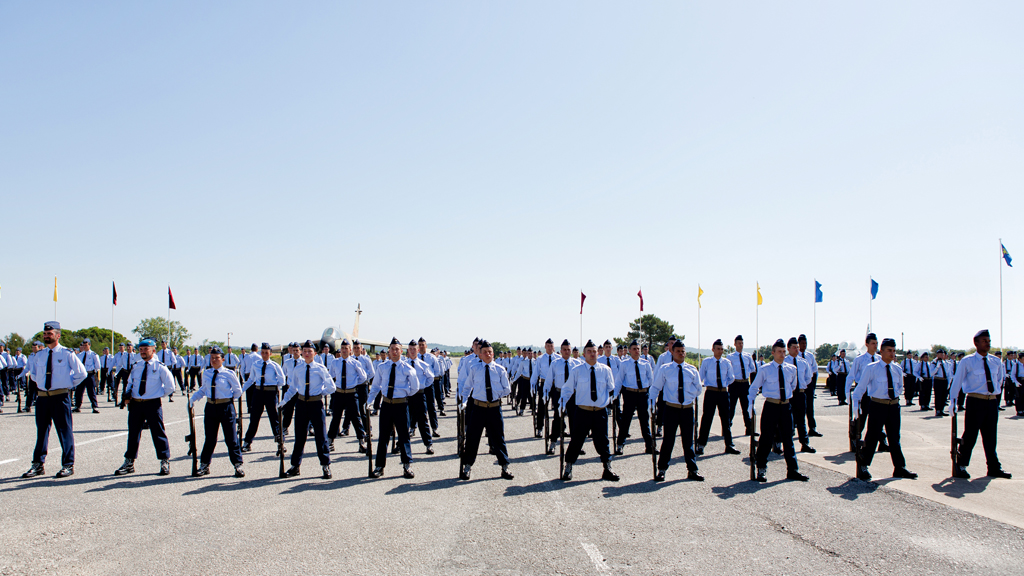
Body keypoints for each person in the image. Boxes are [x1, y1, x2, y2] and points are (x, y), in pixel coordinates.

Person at [21, 322, 86, 479]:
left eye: (49, 334)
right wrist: (43, 386)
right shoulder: (40, 355)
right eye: (44, 334)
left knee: (64, 431)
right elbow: (34, 375)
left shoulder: (67, 353)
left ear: (58, 335)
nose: (46, 336)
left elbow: (81, 373)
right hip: (43, 398)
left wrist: (67, 384)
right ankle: (38, 464)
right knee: (42, 432)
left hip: (60, 397)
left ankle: (68, 464)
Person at [850, 337, 917, 481]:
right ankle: (863, 465)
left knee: (894, 438)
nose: (892, 354)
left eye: (894, 351)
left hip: (893, 406)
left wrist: (895, 396)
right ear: (882, 351)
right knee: (872, 437)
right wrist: (855, 407)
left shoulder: (897, 369)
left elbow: (899, 387)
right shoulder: (872, 368)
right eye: (889, 351)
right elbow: (860, 389)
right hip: (877, 406)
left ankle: (899, 467)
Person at [949, 329, 1012, 479]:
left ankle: (993, 467)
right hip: (975, 401)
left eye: (989, 341)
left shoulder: (996, 361)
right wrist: (953, 401)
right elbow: (957, 382)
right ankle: (961, 465)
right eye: (984, 341)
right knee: (970, 435)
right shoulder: (967, 361)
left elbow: (999, 380)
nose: (987, 344)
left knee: (991, 437)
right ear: (976, 343)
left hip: (991, 403)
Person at [748, 339, 809, 483]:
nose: (782, 354)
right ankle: (761, 468)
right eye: (779, 352)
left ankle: (793, 470)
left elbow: (793, 386)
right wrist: (750, 405)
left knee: (788, 439)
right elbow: (754, 388)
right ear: (773, 353)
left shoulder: (791, 369)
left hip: (786, 406)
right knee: (766, 439)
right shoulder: (765, 369)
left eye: (784, 352)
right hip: (771, 406)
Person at [558, 340, 619, 482]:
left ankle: (607, 467)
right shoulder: (577, 371)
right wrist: (562, 404)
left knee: (603, 441)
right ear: (584, 354)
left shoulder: (605, 370)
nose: (592, 354)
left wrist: (609, 401)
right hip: (583, 411)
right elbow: (567, 389)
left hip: (600, 412)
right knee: (577, 440)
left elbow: (611, 389)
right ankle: (568, 467)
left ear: (598, 353)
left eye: (594, 351)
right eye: (589, 352)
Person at [115, 339, 176, 476]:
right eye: (141, 349)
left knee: (158, 433)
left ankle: (164, 460)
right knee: (133, 433)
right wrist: (127, 395)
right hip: (136, 403)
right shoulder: (137, 366)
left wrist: (157, 394)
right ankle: (129, 462)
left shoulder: (160, 366)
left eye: (146, 349)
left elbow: (170, 386)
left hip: (152, 404)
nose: (142, 351)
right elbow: (130, 382)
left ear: (153, 350)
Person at [458, 340, 514, 480]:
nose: (488, 354)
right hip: (478, 408)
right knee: (472, 438)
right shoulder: (475, 369)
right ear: (480, 355)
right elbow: (467, 387)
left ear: (493, 354)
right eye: (485, 352)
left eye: (490, 352)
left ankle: (505, 467)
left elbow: (507, 389)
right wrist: (464, 401)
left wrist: (496, 394)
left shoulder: (500, 370)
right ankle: (467, 467)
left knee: (498, 439)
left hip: (494, 408)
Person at [278, 340, 335, 479]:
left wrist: (321, 392)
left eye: (310, 351)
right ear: (302, 353)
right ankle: (295, 466)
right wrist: (283, 401)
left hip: (316, 404)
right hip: (302, 403)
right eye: (305, 351)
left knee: (321, 436)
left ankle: (325, 465)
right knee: (299, 437)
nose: (307, 353)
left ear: (315, 353)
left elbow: (331, 387)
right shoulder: (298, 369)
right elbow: (292, 388)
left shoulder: (320, 369)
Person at [648, 339, 703, 481]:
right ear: (672, 352)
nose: (681, 353)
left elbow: (698, 390)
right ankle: (662, 469)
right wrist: (652, 405)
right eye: (678, 351)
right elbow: (656, 388)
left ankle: (692, 470)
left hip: (687, 409)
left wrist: (688, 396)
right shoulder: (665, 369)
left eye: (683, 351)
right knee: (668, 441)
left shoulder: (692, 370)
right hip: (671, 409)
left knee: (688, 441)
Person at [367, 338, 421, 479]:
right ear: (389, 351)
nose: (394, 351)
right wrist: (369, 401)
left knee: (403, 436)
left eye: (397, 349)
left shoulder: (408, 368)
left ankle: (407, 465)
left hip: (401, 405)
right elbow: (375, 386)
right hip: (386, 405)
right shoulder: (382, 367)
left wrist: (402, 396)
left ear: (401, 351)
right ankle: (379, 467)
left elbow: (415, 388)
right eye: (392, 349)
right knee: (383, 437)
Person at [188, 346, 245, 478]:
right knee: (210, 438)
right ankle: (204, 465)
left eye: (217, 358)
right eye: (212, 358)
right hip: (211, 407)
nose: (214, 360)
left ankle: (238, 465)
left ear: (223, 359)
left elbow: (237, 391)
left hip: (225, 407)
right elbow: (203, 389)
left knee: (231, 439)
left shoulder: (229, 374)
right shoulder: (207, 373)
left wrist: (227, 399)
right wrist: (193, 399)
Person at [241, 343, 286, 456]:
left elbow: (282, 381)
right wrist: (240, 391)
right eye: (263, 352)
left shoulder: (275, 366)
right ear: (260, 353)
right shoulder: (256, 365)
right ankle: (247, 442)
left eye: (267, 353)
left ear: (270, 353)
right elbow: (251, 380)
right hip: (258, 392)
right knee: (254, 418)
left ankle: (280, 442)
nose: (264, 355)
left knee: (274, 418)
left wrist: (273, 386)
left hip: (270, 393)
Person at [613, 339, 656, 455]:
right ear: (630, 351)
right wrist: (615, 395)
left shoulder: (645, 364)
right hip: (630, 394)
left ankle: (649, 445)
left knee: (645, 421)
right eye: (634, 349)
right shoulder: (624, 364)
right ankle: (620, 444)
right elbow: (619, 381)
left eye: (638, 349)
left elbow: (651, 381)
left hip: (643, 394)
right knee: (626, 421)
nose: (637, 351)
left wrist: (652, 398)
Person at [696, 339, 738, 456]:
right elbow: (701, 377)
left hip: (723, 393)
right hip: (711, 392)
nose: (720, 351)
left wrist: (723, 385)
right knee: (707, 419)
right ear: (713, 349)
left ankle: (729, 445)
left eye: (721, 349)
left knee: (726, 419)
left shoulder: (726, 363)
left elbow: (731, 378)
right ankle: (701, 444)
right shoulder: (707, 362)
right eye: (718, 349)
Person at [327, 338, 369, 454]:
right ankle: (330, 441)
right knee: (336, 418)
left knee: (356, 418)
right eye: (342, 348)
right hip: (339, 393)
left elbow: (363, 377)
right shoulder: (335, 362)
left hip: (351, 393)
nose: (344, 350)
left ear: (350, 350)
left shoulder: (355, 363)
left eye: (346, 348)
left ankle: (361, 442)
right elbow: (331, 376)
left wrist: (354, 384)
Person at [544, 339, 579, 456]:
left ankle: (575, 445)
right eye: (564, 349)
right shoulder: (555, 363)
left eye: (569, 349)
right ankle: (553, 443)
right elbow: (549, 380)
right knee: (558, 419)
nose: (567, 351)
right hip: (559, 393)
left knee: (574, 420)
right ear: (561, 350)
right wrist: (545, 393)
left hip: (573, 395)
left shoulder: (577, 364)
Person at [785, 337, 816, 454]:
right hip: (789, 394)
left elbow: (809, 378)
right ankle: (782, 443)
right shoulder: (785, 361)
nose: (797, 349)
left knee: (801, 419)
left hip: (801, 394)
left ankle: (805, 443)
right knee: (786, 420)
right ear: (788, 349)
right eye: (794, 347)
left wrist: (800, 386)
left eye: (798, 347)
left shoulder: (804, 362)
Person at [727, 335, 757, 437]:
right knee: (731, 407)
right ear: (734, 344)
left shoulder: (747, 356)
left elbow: (752, 369)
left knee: (746, 407)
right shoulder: (730, 357)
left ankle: (749, 428)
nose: (741, 345)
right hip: (734, 384)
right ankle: (727, 428)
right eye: (739, 343)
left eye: (742, 343)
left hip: (745, 383)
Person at [74, 338, 101, 413]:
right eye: (83, 345)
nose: (84, 347)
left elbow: (97, 366)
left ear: (89, 345)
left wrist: (93, 373)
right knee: (79, 391)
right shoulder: (80, 355)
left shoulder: (93, 355)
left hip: (89, 374)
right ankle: (77, 406)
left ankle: (95, 406)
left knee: (91, 391)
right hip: (82, 375)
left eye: (86, 345)